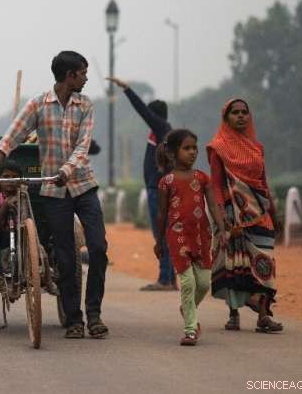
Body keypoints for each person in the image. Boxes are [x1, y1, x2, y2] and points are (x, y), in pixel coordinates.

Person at [0, 50, 108, 340]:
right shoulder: (38, 104)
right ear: (69, 75)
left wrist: (66, 170)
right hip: (54, 190)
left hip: (84, 185)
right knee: (64, 255)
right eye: (83, 73)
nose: (86, 78)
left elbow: (82, 146)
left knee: (98, 248)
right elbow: (9, 140)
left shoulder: (85, 105)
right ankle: (75, 319)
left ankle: (95, 314)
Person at [207, 98, 283, 333]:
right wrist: (222, 217)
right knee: (234, 262)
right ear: (226, 117)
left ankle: (263, 315)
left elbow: (263, 181)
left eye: (244, 112)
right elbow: (217, 185)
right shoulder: (218, 147)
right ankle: (233, 314)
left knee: (264, 260)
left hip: (260, 213)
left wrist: (273, 210)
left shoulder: (257, 147)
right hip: (233, 214)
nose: (240, 116)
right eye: (235, 112)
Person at [154, 129, 227, 346]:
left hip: (201, 235)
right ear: (173, 153)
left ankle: (187, 308)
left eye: (194, 148)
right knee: (187, 283)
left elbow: (212, 204)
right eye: (186, 148)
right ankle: (190, 329)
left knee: (203, 283)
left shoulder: (202, 178)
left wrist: (222, 229)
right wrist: (159, 241)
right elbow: (162, 212)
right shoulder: (166, 182)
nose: (192, 152)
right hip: (177, 235)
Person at [106, 76, 175, 291]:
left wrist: (126, 90)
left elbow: (142, 110)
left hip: (158, 190)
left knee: (161, 234)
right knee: (162, 234)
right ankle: (168, 277)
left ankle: (165, 278)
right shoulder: (159, 133)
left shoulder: (161, 127)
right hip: (156, 188)